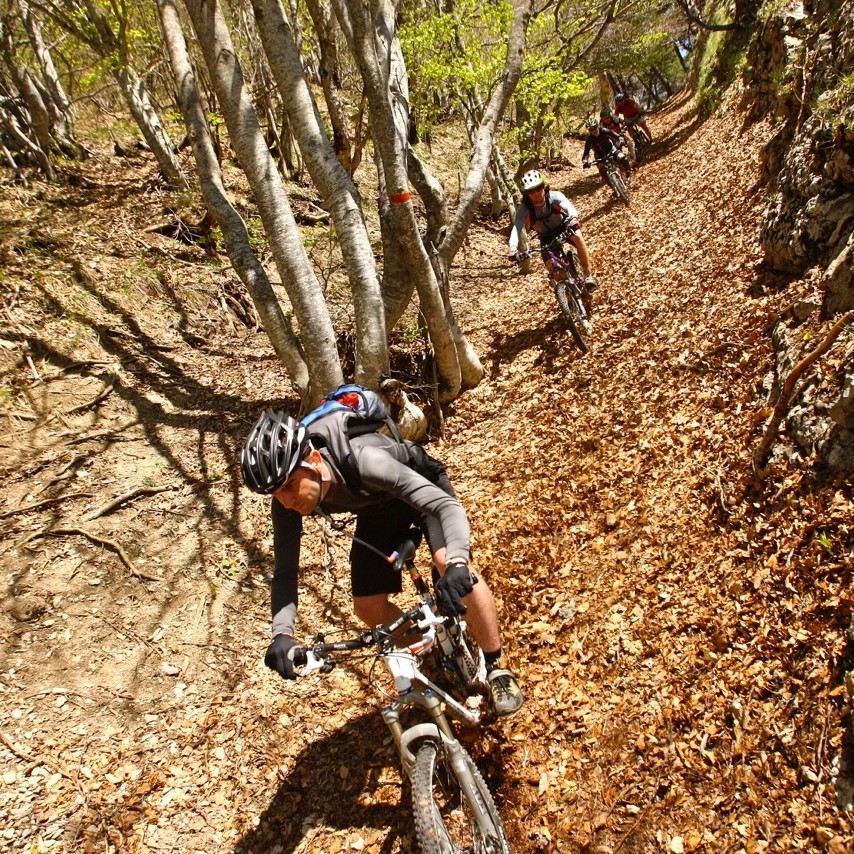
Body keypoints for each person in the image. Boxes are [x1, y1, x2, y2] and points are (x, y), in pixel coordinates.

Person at [240, 407, 524, 717]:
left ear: (315, 461)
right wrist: (281, 634)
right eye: (278, 495)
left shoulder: (366, 461)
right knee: (367, 606)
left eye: (291, 487)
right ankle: (431, 654)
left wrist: (457, 562)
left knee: (447, 563)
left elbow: (444, 506)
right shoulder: (287, 505)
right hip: (377, 506)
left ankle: (497, 668)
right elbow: (284, 573)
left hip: (421, 485)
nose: (288, 502)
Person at [506, 168, 596, 288]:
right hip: (546, 237)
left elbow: (569, 208)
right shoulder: (524, 209)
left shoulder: (554, 196)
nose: (536, 194)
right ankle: (571, 291)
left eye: (538, 189)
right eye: (532, 192)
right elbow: (516, 228)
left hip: (563, 227)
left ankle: (587, 274)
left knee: (578, 236)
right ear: (527, 194)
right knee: (555, 274)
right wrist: (513, 248)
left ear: (544, 187)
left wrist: (573, 219)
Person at [581, 116, 632, 181]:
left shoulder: (604, 130)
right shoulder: (589, 139)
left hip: (611, 150)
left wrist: (621, 140)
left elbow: (616, 136)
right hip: (600, 156)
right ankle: (613, 187)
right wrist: (585, 161)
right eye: (591, 130)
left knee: (622, 158)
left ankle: (629, 173)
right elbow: (586, 152)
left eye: (594, 128)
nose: (594, 131)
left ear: (597, 126)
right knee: (602, 171)